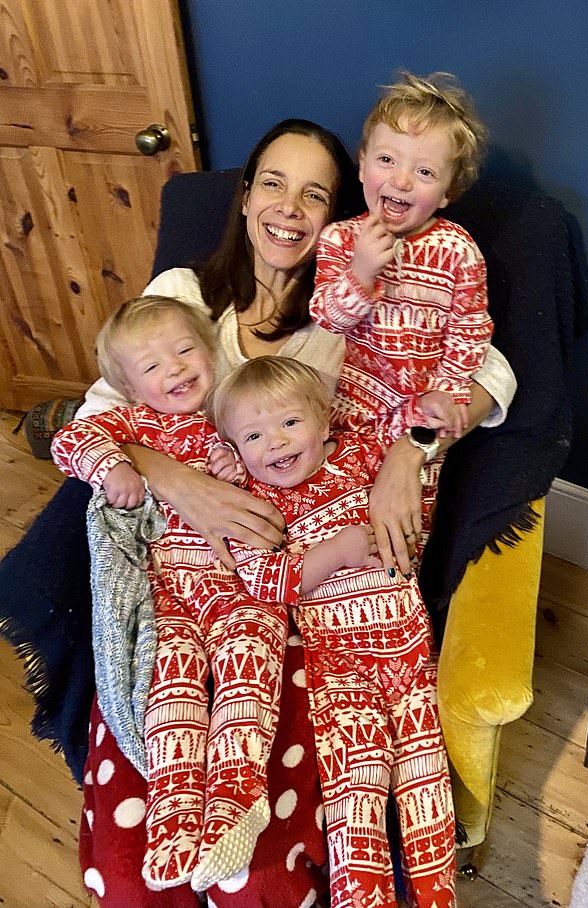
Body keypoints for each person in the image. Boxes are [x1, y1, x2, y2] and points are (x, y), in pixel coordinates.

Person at [3, 117, 516, 908]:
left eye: (315, 193)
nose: (289, 207)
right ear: (243, 198)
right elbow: (101, 421)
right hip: (185, 569)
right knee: (134, 840)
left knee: (265, 833)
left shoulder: (352, 310)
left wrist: (411, 453)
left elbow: (491, 372)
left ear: (340, 218)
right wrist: (184, 482)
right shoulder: (180, 296)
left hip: (289, 584)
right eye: (272, 182)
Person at [52, 295, 292, 891]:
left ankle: (237, 801)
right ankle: (176, 814)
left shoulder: (233, 407)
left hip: (242, 584)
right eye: (153, 367)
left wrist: (238, 459)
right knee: (173, 688)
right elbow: (70, 440)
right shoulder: (135, 425)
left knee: (247, 671)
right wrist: (112, 468)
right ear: (130, 388)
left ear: (211, 353)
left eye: (185, 351)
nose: (176, 370)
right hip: (171, 591)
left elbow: (277, 447)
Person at [212, 356, 456, 908]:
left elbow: (417, 440)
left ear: (324, 421)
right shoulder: (256, 502)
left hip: (409, 654)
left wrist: (432, 418)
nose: (274, 443)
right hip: (337, 667)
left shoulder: (361, 457)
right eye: (253, 435)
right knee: (357, 798)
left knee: (427, 790)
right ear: (236, 449)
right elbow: (267, 581)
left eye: (289, 423)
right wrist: (337, 552)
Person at [310, 71, 493, 546]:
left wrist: (448, 394)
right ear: (363, 165)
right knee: (331, 519)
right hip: (345, 412)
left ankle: (397, 598)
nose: (402, 180)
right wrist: (361, 272)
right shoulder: (340, 239)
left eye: (425, 172)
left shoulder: (459, 251)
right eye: (387, 160)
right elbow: (327, 316)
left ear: (448, 192)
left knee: (402, 530)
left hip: (418, 416)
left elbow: (471, 331)